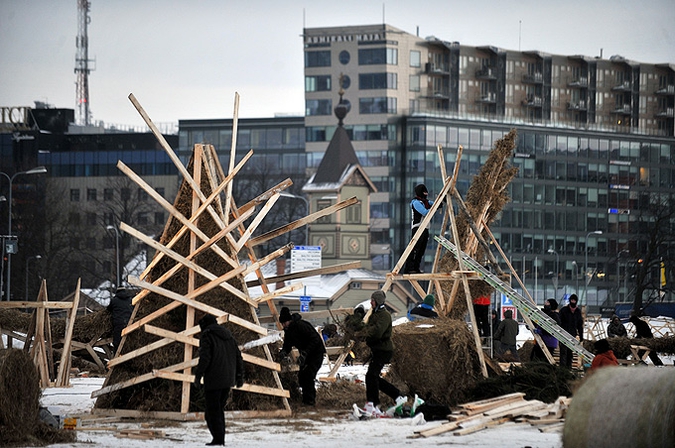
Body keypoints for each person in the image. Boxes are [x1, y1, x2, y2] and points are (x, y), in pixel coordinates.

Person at [193, 314, 244, 446]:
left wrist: (198, 376)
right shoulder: (229, 336)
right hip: (228, 379)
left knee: (211, 412)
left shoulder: (207, 336)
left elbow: (205, 358)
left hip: (214, 379)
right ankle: (219, 438)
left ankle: (218, 439)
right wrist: (239, 377)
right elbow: (238, 357)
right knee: (218, 410)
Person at [362, 290, 403, 417]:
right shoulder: (375, 314)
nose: (371, 302)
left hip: (384, 350)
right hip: (377, 349)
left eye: (373, 300)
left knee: (371, 376)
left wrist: (365, 334)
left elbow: (377, 332)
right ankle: (396, 395)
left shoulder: (384, 315)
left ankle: (374, 403)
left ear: (378, 301)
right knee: (373, 378)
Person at [278, 307, 326, 405]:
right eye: (282, 324)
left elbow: (315, 339)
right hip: (306, 355)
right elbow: (288, 344)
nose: (283, 325)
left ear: (289, 320)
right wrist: (284, 352)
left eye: (284, 323)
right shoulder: (288, 330)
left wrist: (305, 353)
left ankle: (310, 401)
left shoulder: (301, 326)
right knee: (302, 376)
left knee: (308, 374)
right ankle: (305, 399)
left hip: (316, 352)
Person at [404, 184, 434, 274]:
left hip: (425, 228)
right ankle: (409, 268)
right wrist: (434, 208)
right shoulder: (416, 202)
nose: (425, 194)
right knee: (415, 248)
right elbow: (424, 212)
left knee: (421, 250)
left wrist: (439, 203)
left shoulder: (426, 202)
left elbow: (434, 203)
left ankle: (416, 268)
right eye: (424, 192)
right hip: (417, 227)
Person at [559, 294, 584, 368]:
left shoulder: (578, 312)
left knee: (570, 352)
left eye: (574, 300)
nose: (573, 301)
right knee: (563, 352)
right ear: (570, 301)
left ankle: (568, 368)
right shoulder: (564, 310)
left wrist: (581, 335)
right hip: (563, 333)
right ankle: (562, 369)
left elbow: (579, 324)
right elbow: (559, 321)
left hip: (572, 334)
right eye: (572, 300)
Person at [107, 287, 134, 355]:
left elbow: (108, 309)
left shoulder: (114, 300)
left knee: (117, 342)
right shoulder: (130, 300)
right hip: (129, 323)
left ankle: (117, 358)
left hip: (118, 323)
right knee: (129, 342)